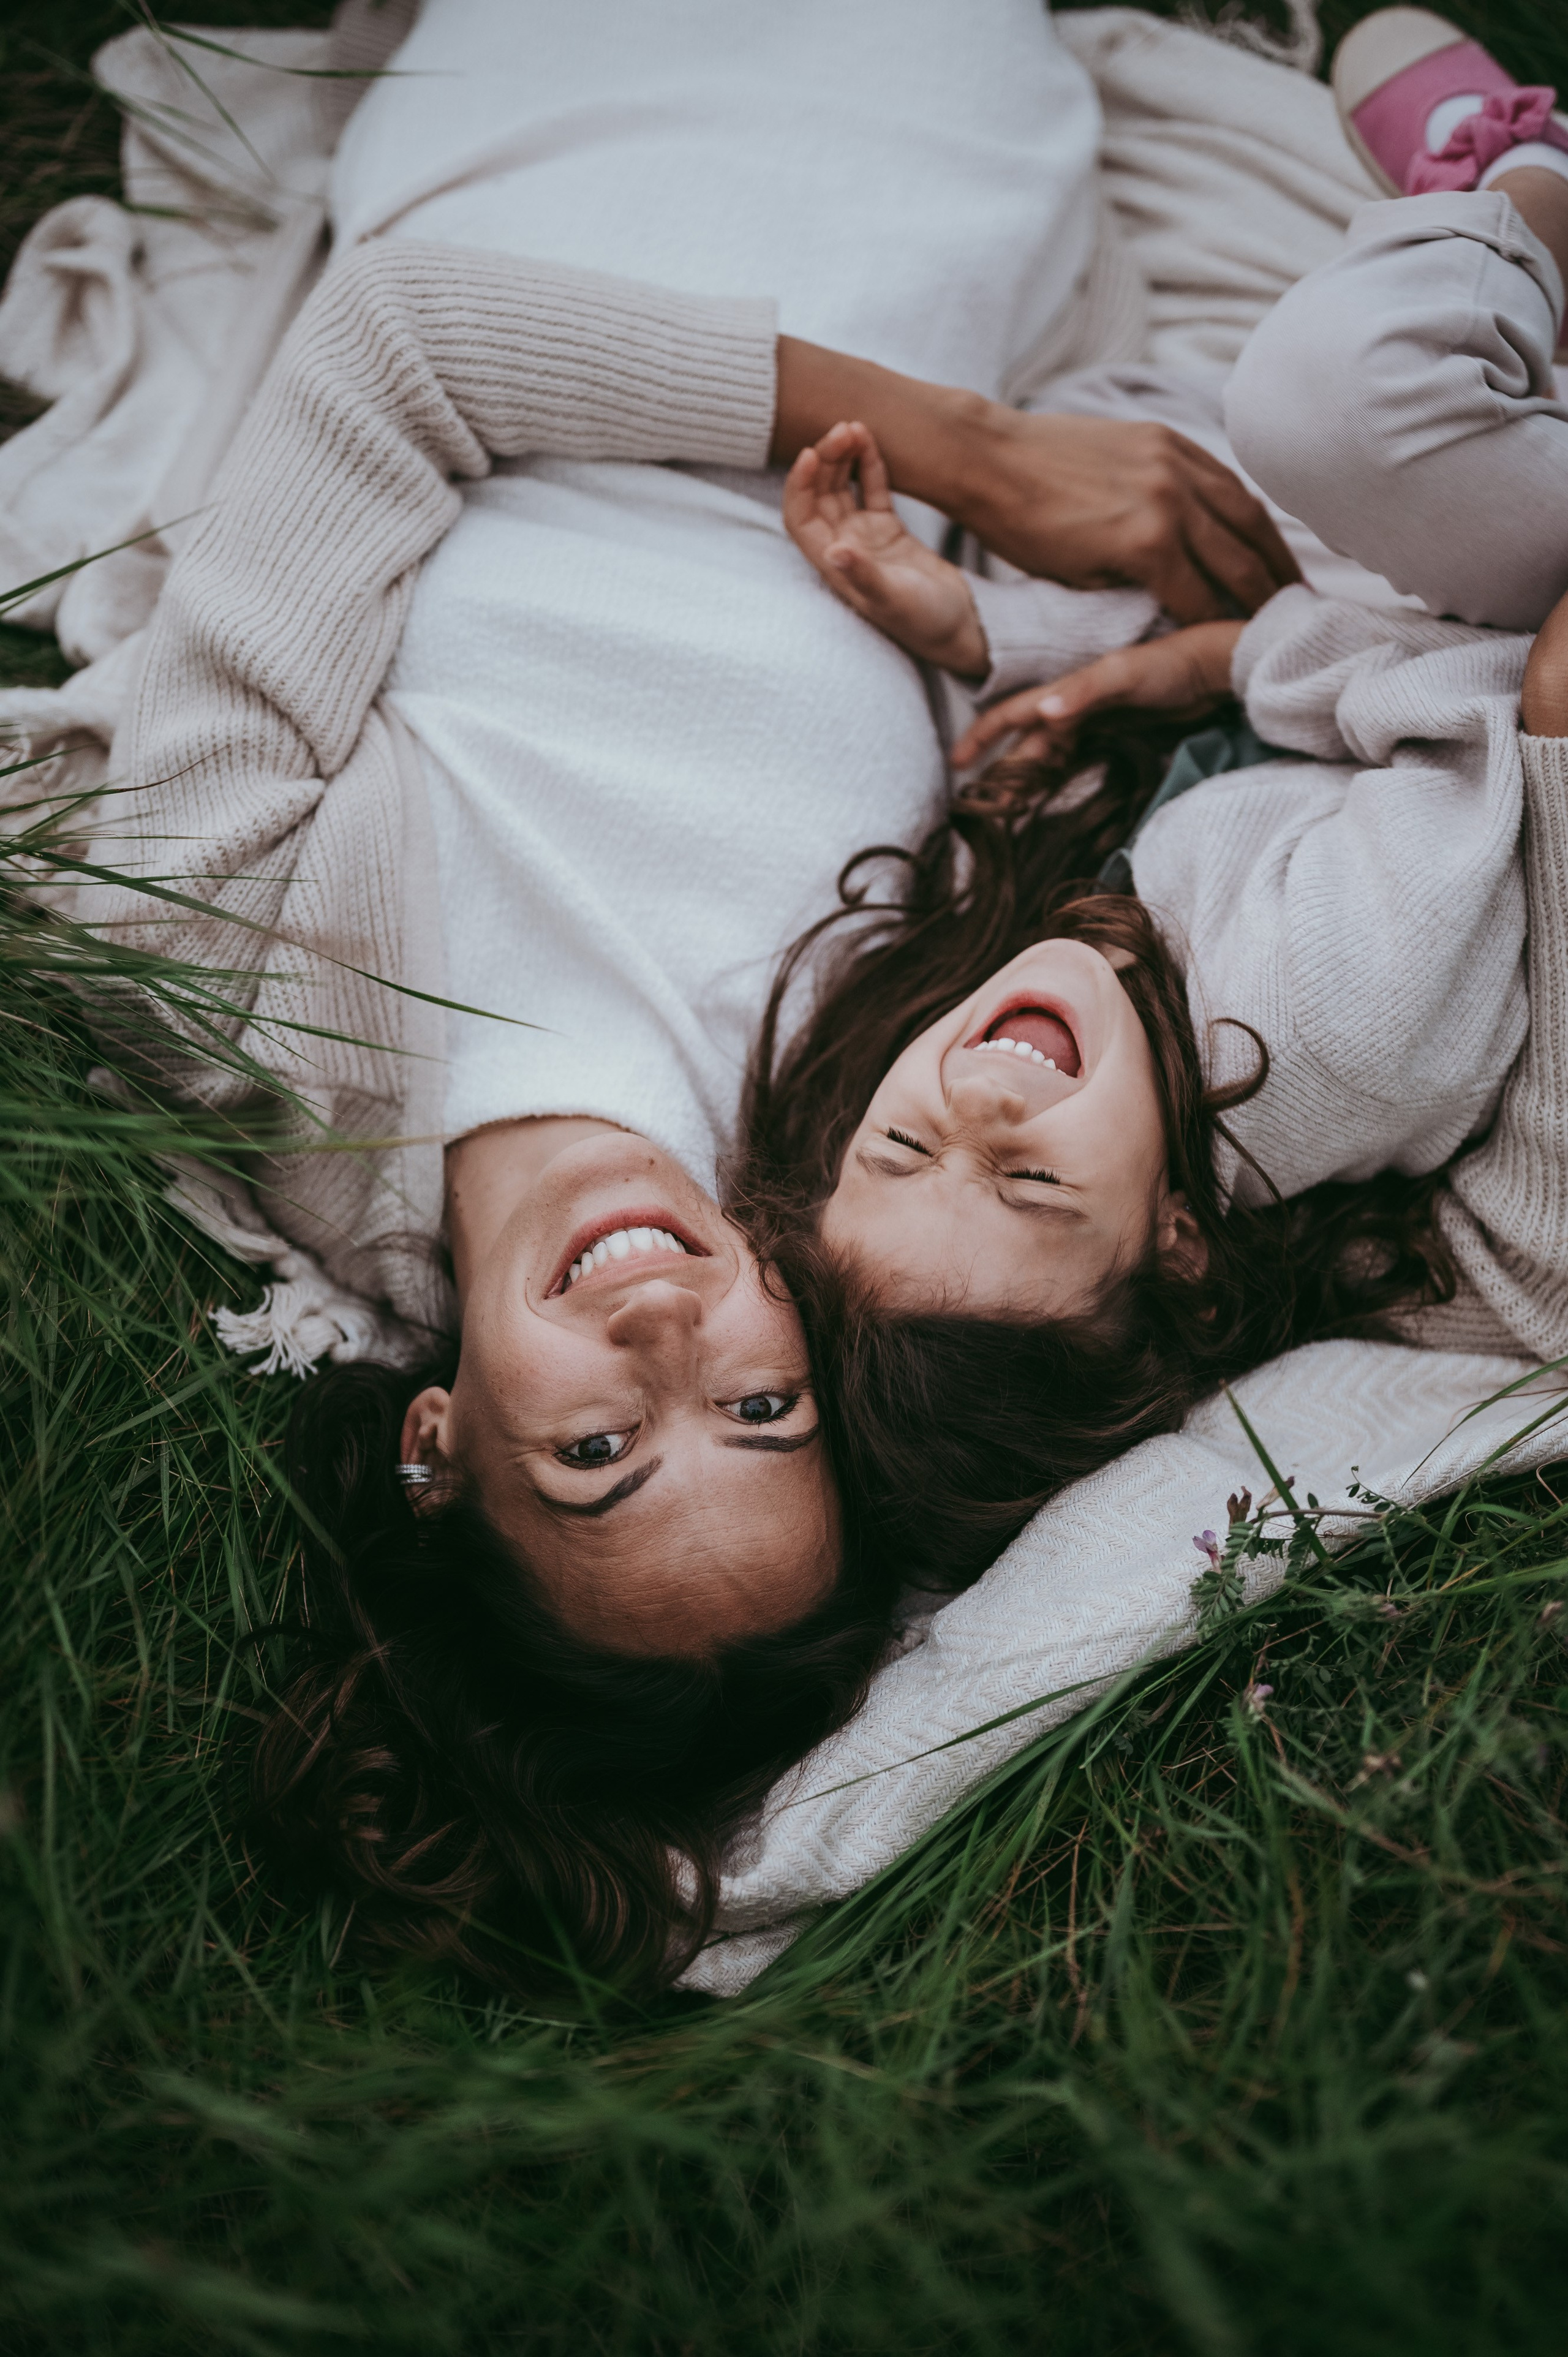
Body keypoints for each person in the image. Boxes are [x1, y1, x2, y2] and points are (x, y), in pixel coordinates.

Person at [83, 1, 1299, 1988]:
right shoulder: (836, 1116)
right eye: (761, 1403)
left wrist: (983, 455)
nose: (666, 1325)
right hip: (953, 192)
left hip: (605, 135)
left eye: (598, 1455)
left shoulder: (233, 978)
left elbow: (398, 351)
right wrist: (993, 600)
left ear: (436, 1445)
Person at [741, 7, 1568, 1590]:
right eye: (1031, 1179)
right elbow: (1472, 703)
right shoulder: (1324, 1029)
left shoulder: (1156, 1019)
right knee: (1335, 404)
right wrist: (1219, 659)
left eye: (901, 1150)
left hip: (1382, 629)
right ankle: (1526, 175)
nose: (976, 1105)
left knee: (1160, 484)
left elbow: (1250, 733)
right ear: (1175, 1248)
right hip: (1484, 643)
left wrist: (985, 645)